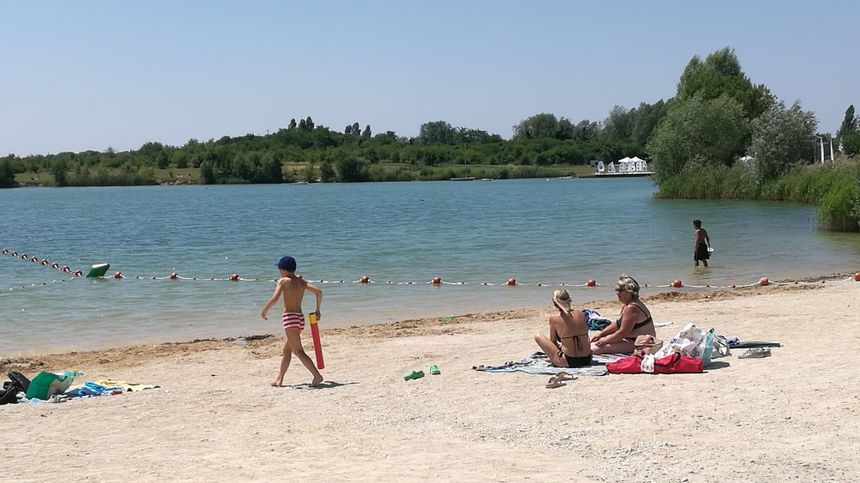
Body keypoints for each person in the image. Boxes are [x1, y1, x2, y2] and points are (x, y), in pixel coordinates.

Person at [260, 255, 324, 387]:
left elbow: (274, 299)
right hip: (299, 319)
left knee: (298, 351)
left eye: (279, 268)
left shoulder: (283, 281)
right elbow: (319, 292)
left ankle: (317, 376)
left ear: (283, 270)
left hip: (290, 319)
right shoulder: (301, 281)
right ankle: (280, 379)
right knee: (287, 350)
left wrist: (264, 311)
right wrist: (318, 310)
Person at [590, 275, 656, 354]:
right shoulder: (628, 304)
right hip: (632, 339)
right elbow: (618, 324)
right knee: (596, 344)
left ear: (630, 291)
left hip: (642, 343)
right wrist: (601, 334)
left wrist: (605, 340)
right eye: (616, 289)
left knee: (599, 348)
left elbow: (622, 333)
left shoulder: (632, 307)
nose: (617, 292)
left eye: (620, 290)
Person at [534, 289, 592, 367]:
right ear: (570, 300)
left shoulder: (554, 318)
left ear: (555, 304)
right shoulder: (581, 314)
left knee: (538, 336)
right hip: (587, 359)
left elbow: (553, 342)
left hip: (569, 361)